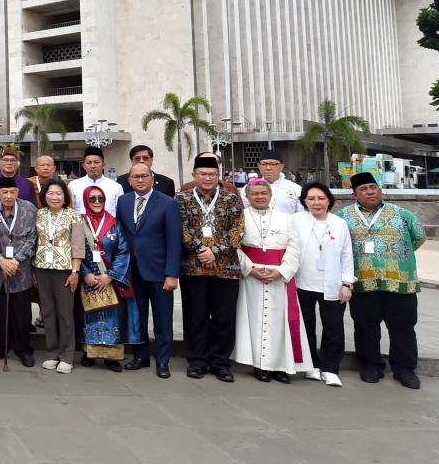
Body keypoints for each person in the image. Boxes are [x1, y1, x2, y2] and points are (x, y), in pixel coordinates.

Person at [341, 171, 426, 389]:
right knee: (365, 327)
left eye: (373, 187)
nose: (369, 192)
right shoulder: (343, 217)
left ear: (380, 190)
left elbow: (418, 238)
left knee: (403, 328)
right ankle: (370, 365)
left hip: (401, 283)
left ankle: (404, 369)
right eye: (363, 189)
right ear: (354, 195)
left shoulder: (403, 215)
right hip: (362, 283)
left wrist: (396, 257)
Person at [176, 153, 245, 382]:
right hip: (193, 268)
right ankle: (196, 361)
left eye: (212, 174)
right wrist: (202, 251)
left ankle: (220, 363)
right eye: (203, 174)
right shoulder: (182, 199)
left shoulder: (231, 199)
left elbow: (237, 230)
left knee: (224, 317)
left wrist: (215, 251)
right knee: (195, 316)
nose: (207, 178)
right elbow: (181, 229)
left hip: (226, 268)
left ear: (219, 176)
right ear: (194, 175)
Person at [235, 178, 308, 382]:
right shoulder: (240, 217)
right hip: (252, 277)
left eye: (263, 193)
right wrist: (251, 269)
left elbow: (294, 248)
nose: (259, 197)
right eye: (255, 194)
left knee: (279, 322)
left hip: (279, 278)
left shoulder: (286, 219)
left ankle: (280, 366)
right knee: (256, 321)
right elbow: (236, 247)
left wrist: (282, 271)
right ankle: (260, 366)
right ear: (247, 197)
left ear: (270, 195)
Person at [116, 162, 182, 378]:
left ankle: (163, 361)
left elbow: (174, 241)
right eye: (136, 177)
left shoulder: (168, 203)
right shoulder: (123, 201)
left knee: (163, 320)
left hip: (159, 272)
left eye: (145, 176)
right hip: (133, 272)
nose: (140, 180)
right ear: (129, 180)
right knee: (138, 317)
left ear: (152, 178)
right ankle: (140, 356)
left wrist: (172, 273)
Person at [293, 182, 354, 387]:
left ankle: (330, 368)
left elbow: (347, 255)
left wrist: (347, 283)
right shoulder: (295, 221)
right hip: (302, 283)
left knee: (333, 327)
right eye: (311, 198)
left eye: (321, 198)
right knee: (305, 327)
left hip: (332, 284)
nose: (316, 202)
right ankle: (310, 365)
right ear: (304, 201)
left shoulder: (339, 223)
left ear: (329, 200)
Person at [78, 184, 136, 372]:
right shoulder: (79, 223)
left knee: (113, 318)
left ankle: (112, 357)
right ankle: (90, 353)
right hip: (88, 280)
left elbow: (123, 251)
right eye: (92, 198)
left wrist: (109, 276)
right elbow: (75, 250)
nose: (96, 202)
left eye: (100, 198)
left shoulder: (114, 223)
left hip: (109, 279)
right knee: (91, 317)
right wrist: (85, 274)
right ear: (86, 200)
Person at [0, 175, 38, 366]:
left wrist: (15, 260)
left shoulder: (29, 209)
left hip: (20, 269)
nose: (8, 196)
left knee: (22, 313)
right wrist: (0, 260)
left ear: (18, 193)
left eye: (12, 192)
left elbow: (32, 239)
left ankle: (23, 349)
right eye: (4, 192)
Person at [32, 179, 84, 373]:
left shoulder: (74, 216)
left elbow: (78, 246)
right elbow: (34, 242)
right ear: (44, 195)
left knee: (65, 313)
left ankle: (67, 355)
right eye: (50, 193)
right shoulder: (39, 214)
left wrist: (75, 272)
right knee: (48, 312)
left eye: (58, 193)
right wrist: (33, 270)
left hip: (65, 270)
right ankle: (52, 352)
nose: (54, 197)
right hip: (42, 267)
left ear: (65, 196)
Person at [68, 146, 124, 216]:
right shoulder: (73, 185)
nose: (93, 166)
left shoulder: (116, 187)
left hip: (109, 226)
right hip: (82, 226)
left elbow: (120, 213)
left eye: (96, 162)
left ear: (103, 165)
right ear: (84, 166)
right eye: (89, 163)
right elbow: (69, 210)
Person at [243, 149, 301, 215]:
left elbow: (301, 216)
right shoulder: (249, 188)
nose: (268, 168)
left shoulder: (296, 189)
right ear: (259, 166)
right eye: (264, 164)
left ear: (281, 166)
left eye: (273, 164)